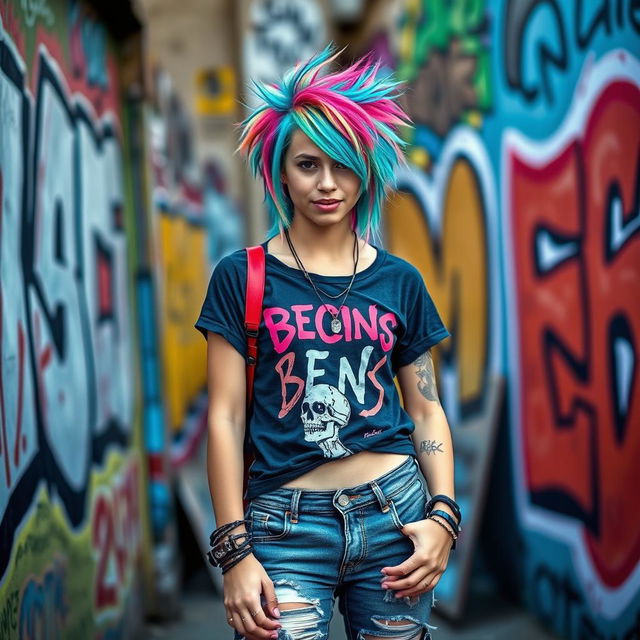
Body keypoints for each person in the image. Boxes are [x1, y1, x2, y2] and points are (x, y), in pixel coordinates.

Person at [195, 46, 458, 640]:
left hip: (395, 515)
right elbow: (225, 416)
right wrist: (234, 551)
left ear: (365, 170)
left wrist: (443, 514)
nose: (328, 184)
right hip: (283, 529)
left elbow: (424, 408)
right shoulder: (243, 277)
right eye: (308, 165)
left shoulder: (400, 282)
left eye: (343, 165)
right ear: (280, 172)